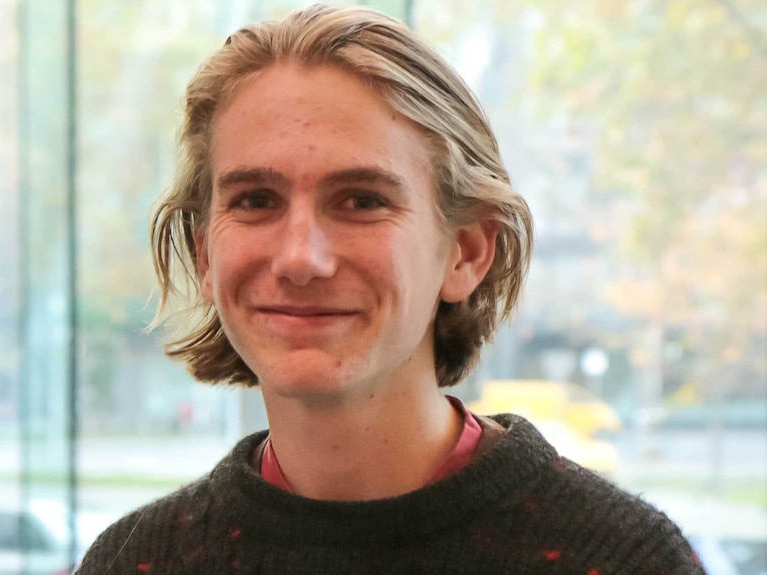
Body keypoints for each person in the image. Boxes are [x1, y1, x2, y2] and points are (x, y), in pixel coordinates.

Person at [77, 5, 705, 574]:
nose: (301, 258)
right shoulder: (138, 561)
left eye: (361, 200)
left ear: (466, 251)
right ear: (204, 253)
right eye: (256, 200)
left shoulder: (620, 560)